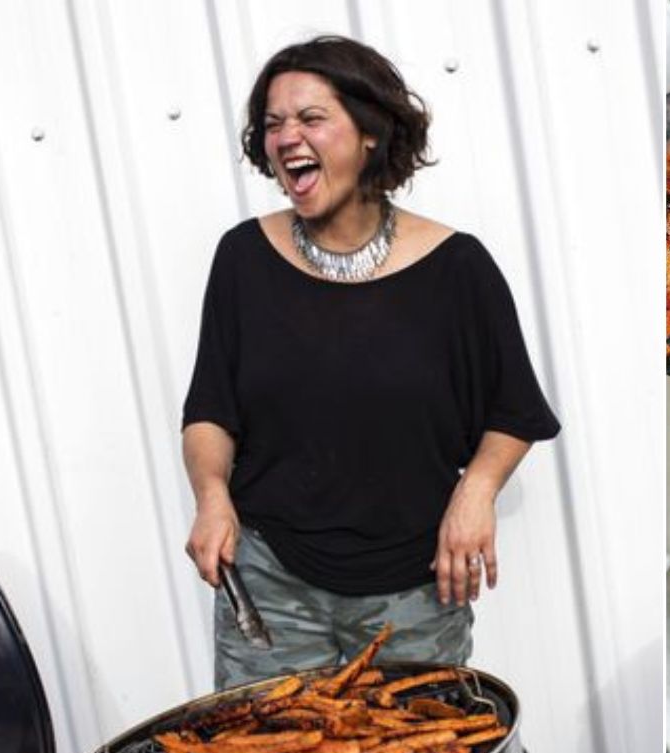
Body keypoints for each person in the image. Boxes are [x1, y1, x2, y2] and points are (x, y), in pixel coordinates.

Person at [181, 35, 560, 689]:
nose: (286, 137)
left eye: (310, 117)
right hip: (271, 585)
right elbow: (210, 411)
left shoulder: (457, 267)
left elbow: (514, 410)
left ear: (369, 135)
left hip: (415, 593)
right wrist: (211, 496)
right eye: (273, 124)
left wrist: (476, 492)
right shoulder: (243, 258)